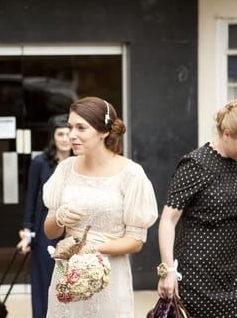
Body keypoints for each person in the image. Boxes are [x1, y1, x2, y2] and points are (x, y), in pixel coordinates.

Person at [156, 99, 237, 317]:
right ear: (226, 134)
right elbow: (168, 220)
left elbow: (230, 200)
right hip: (197, 276)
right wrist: (168, 271)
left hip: (236, 272)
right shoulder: (195, 164)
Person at [43, 96, 158, 318]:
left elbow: (135, 241)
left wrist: (93, 249)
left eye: (80, 128)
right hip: (67, 274)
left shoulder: (131, 174)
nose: (72, 135)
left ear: (103, 131)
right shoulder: (65, 169)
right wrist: (59, 218)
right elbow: (50, 232)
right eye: (70, 128)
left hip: (109, 278)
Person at [17, 114, 71, 318]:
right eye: (60, 134)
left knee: (70, 278)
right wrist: (27, 229)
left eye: (68, 133)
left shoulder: (80, 162)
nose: (65, 138)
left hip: (72, 228)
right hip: (44, 226)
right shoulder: (40, 162)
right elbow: (31, 196)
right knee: (43, 278)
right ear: (53, 136)